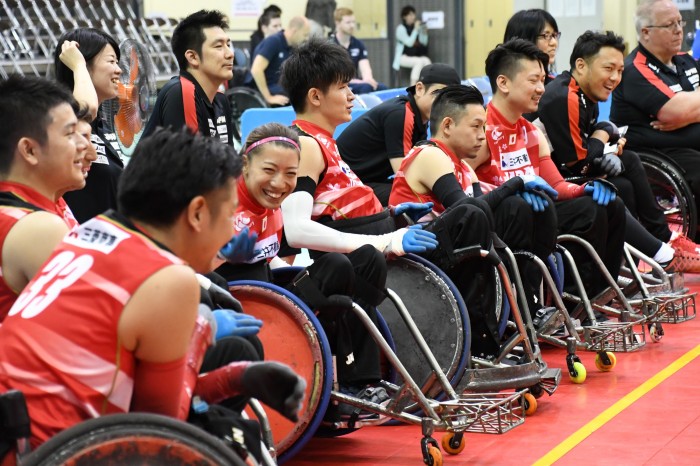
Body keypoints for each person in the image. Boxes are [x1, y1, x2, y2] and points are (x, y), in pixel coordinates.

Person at [0, 128, 305, 456]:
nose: (231, 229)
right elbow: (161, 432)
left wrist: (238, 377)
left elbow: (144, 408)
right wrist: (204, 331)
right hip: (54, 452)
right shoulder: (170, 281)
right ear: (198, 212)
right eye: (230, 214)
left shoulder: (91, 232)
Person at [279, 37, 504, 358]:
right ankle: (477, 346)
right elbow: (296, 230)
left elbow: (342, 208)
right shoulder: (307, 146)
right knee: (469, 215)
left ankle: (478, 339)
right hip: (373, 254)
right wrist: (386, 240)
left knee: (473, 214)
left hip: (385, 235)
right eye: (343, 87)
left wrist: (394, 213)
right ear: (315, 96)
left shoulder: (326, 142)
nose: (352, 95)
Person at [469, 38, 627, 303]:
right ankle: (553, 301)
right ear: (503, 83)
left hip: (537, 213)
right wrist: (510, 191)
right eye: (533, 81)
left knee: (610, 205)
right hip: (501, 219)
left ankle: (597, 296)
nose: (541, 88)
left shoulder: (531, 132)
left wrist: (584, 188)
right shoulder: (480, 131)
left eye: (543, 80)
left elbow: (557, 186)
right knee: (541, 210)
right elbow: (464, 186)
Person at [389, 84, 559, 320]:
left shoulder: (466, 166)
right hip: (420, 257)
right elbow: (466, 210)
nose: (482, 135)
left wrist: (516, 192)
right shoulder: (430, 154)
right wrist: (516, 183)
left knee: (526, 208)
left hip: (454, 246)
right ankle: (507, 316)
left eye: (485, 127)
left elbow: (483, 208)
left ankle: (527, 303)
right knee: (509, 209)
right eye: (476, 126)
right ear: (448, 125)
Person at [536, 30, 700, 272]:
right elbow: (579, 164)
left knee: (628, 166)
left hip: (572, 165)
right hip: (558, 180)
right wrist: (603, 132)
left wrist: (611, 144)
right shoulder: (566, 96)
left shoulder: (585, 93)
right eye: (608, 68)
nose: (615, 77)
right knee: (621, 182)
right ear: (581, 66)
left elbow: (596, 144)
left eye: (620, 70)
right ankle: (664, 249)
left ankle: (644, 257)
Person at [0, 76, 90, 322]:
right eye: (71, 134)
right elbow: (90, 327)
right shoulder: (38, 228)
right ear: (29, 150)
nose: (84, 146)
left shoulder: (29, 209)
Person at [611, 0, 700, 207]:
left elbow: (684, 111)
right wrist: (684, 109)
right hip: (661, 151)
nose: (678, 30)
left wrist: (690, 111)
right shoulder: (635, 69)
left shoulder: (684, 60)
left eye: (680, 23)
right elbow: (675, 113)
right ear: (646, 32)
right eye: (670, 25)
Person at [337, 63, 461, 205]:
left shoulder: (421, 118)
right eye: (439, 93)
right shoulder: (401, 113)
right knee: (420, 196)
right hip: (346, 186)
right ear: (419, 89)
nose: (444, 103)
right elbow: (404, 175)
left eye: (450, 98)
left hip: (369, 181)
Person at [54, 28, 125, 223]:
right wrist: (78, 65)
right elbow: (86, 108)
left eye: (117, 63)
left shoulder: (102, 126)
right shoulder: (60, 116)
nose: (118, 70)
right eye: (111, 61)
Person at [143, 10, 234, 145]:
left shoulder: (220, 99)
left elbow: (229, 160)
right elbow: (190, 163)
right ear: (192, 57)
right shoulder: (181, 91)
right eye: (219, 46)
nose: (230, 54)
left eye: (228, 45)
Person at [245, 16, 310, 106]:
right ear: (295, 31)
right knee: (299, 97)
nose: (306, 39)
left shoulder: (291, 47)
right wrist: (269, 98)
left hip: (278, 86)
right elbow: (256, 70)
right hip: (264, 89)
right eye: (305, 35)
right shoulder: (273, 41)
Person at [330, 7, 387, 95]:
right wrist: (362, 82)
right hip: (339, 84)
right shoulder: (331, 45)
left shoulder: (358, 44)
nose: (352, 25)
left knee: (382, 88)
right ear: (338, 23)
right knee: (366, 87)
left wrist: (368, 79)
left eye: (353, 22)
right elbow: (336, 77)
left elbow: (365, 67)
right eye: (348, 22)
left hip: (356, 82)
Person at [503, 9, 561, 83]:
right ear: (524, 39)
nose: (554, 43)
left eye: (554, 35)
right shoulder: (492, 86)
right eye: (546, 35)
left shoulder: (557, 83)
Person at [393, 5, 431, 85]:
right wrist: (416, 29)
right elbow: (409, 43)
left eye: (413, 14)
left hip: (415, 55)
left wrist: (424, 33)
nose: (413, 17)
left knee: (427, 61)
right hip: (403, 57)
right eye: (410, 15)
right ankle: (413, 86)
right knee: (419, 62)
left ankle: (427, 84)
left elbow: (424, 42)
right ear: (404, 17)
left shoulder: (416, 28)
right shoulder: (400, 28)